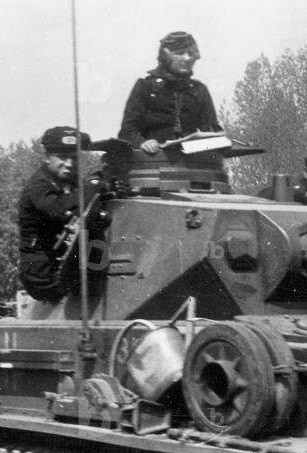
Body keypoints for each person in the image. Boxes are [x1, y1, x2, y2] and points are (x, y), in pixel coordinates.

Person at [17, 126, 102, 302]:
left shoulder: (69, 181)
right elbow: (57, 209)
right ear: (47, 158)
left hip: (63, 266)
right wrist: (91, 188)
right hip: (43, 276)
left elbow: (83, 206)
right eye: (62, 158)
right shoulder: (38, 185)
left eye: (74, 158)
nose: (69, 164)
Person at [118, 31, 222, 155]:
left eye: (190, 53)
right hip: (152, 163)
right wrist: (142, 142)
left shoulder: (199, 90)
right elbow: (128, 130)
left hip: (194, 164)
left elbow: (212, 129)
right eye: (179, 53)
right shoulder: (146, 87)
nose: (187, 58)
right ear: (165, 56)